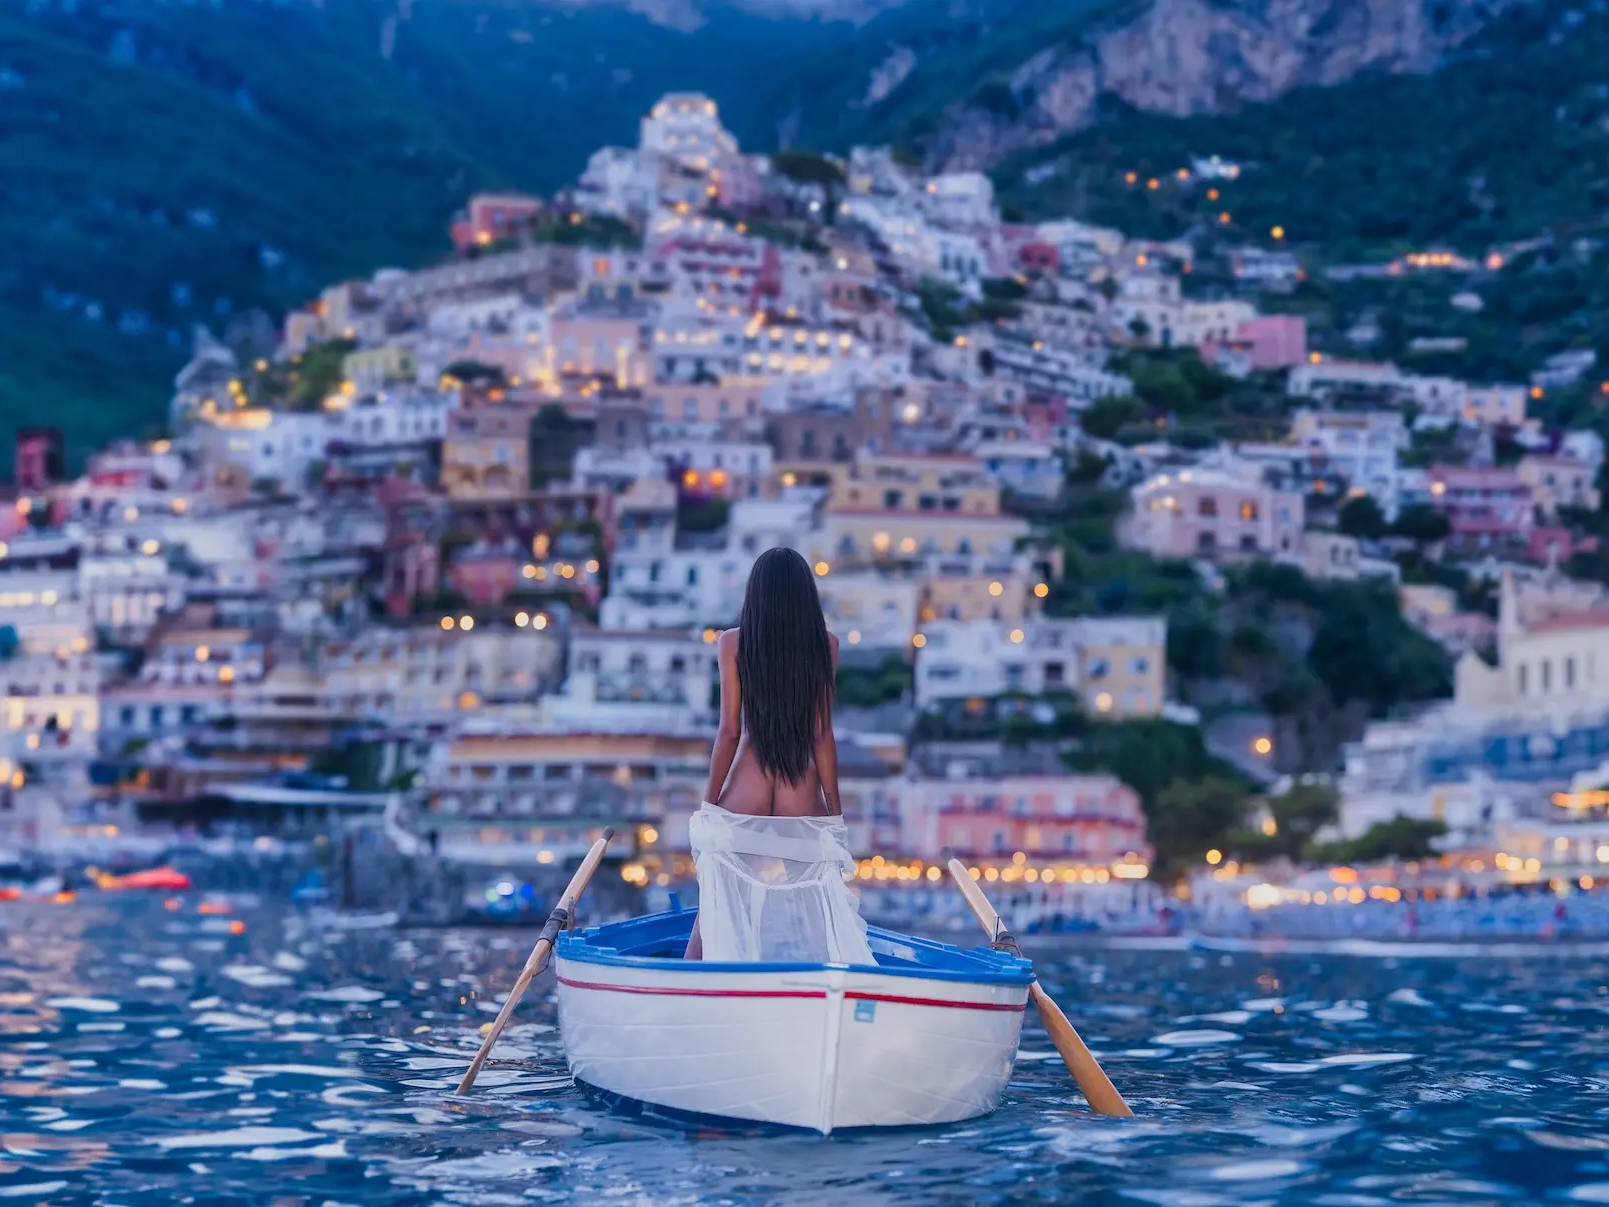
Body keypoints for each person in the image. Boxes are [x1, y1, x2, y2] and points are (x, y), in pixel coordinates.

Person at [683, 547, 874, 965]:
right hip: (798, 780)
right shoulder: (826, 645)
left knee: (715, 892)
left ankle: (689, 983)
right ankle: (834, 985)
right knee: (821, 902)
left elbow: (730, 731)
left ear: (757, 593)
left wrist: (710, 804)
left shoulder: (732, 642)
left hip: (750, 776)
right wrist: (833, 816)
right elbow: (822, 734)